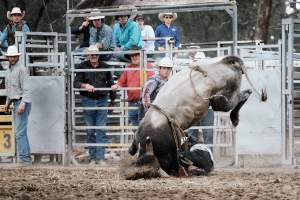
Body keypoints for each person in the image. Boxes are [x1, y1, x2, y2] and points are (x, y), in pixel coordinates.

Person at [74, 45, 116, 165]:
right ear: (88, 55)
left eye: (96, 54)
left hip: (102, 100)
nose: (94, 56)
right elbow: (76, 83)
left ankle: (100, 157)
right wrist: (85, 85)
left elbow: (111, 84)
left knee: (101, 129)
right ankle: (93, 157)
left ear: (98, 55)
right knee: (90, 130)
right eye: (92, 54)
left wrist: (112, 101)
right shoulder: (82, 66)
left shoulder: (105, 67)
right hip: (88, 100)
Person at [111, 46, 154, 126]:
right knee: (135, 125)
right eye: (132, 55)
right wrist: (117, 85)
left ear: (140, 55)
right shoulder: (128, 68)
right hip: (132, 102)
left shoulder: (148, 66)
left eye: (136, 55)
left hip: (145, 103)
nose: (134, 57)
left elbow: (152, 83)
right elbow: (121, 81)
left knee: (145, 127)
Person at [4, 45, 32, 165]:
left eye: (14, 56)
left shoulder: (22, 69)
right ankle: (26, 159)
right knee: (20, 132)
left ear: (17, 56)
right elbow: (10, 90)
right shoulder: (9, 70)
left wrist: (23, 104)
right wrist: (7, 103)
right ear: (8, 57)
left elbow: (27, 89)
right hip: (15, 102)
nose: (13, 58)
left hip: (21, 102)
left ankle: (25, 160)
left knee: (19, 132)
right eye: (11, 57)